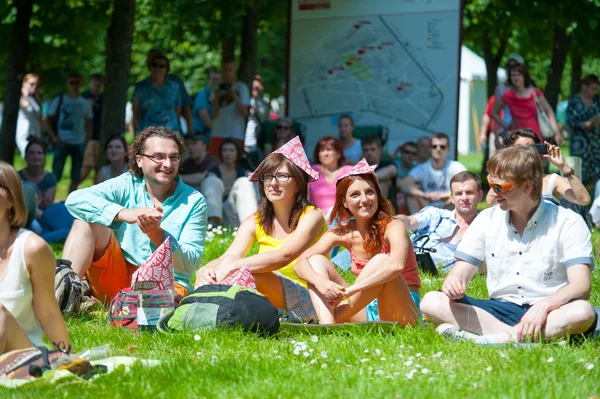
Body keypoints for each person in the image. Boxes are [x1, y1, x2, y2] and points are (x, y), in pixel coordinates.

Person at [421, 146, 597, 344]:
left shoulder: (568, 221)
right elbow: (462, 271)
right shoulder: (487, 219)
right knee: (431, 301)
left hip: (551, 309)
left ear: (527, 186)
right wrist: (454, 280)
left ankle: (491, 339)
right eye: (491, 184)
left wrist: (545, 305)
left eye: (500, 187)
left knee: (582, 311)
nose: (493, 193)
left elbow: (581, 285)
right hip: (498, 309)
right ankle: (517, 338)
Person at [62, 126, 207, 304]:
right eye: (158, 157)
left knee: (165, 301)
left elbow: (190, 263)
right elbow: (75, 199)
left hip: (167, 283)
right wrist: (123, 213)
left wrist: (157, 235)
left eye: (174, 157)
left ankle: (105, 301)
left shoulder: (194, 201)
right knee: (86, 220)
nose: (168, 164)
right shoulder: (126, 184)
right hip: (120, 274)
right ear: (139, 160)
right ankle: (67, 295)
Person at [195, 136, 327, 322]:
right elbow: (230, 256)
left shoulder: (312, 216)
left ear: (298, 183)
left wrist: (234, 266)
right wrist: (207, 269)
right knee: (231, 274)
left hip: (311, 298)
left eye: (282, 176)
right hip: (274, 296)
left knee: (253, 275)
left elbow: (284, 256)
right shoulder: (255, 221)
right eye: (267, 176)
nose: (273, 183)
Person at [294, 159, 420, 325]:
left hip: (400, 309)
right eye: (355, 195)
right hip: (364, 307)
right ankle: (327, 325)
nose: (364, 199)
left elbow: (395, 265)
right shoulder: (342, 232)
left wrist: (351, 290)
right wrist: (322, 283)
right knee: (315, 260)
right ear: (344, 202)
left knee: (381, 260)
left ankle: (331, 319)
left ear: (377, 195)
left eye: (369, 192)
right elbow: (300, 264)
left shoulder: (394, 226)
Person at [0, 162, 71, 354]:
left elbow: (48, 312)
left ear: (11, 201)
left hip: (21, 354)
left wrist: (69, 359)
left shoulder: (32, 248)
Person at [394, 171, 483, 272]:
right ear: (452, 198)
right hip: (407, 261)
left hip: (437, 272)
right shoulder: (435, 214)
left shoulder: (483, 227)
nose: (464, 198)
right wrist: (389, 220)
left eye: (469, 192)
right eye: (458, 193)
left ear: (480, 195)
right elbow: (409, 221)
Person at [485, 129, 590, 207]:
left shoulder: (551, 180)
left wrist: (564, 166)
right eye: (519, 149)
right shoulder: (504, 182)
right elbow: (490, 202)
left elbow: (583, 200)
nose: (526, 153)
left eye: (530, 148)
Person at [47, 72, 93, 193]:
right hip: (62, 141)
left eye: (77, 82)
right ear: (67, 84)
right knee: (56, 173)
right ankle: (49, 198)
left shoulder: (85, 102)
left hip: (78, 143)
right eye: (71, 82)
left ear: (81, 84)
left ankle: (70, 201)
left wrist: (86, 141)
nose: (74, 85)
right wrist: (54, 136)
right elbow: (47, 119)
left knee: (76, 176)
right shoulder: (60, 99)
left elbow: (89, 124)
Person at [491, 63, 560, 143]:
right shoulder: (508, 95)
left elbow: (549, 111)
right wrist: (506, 126)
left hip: (535, 134)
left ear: (524, 76)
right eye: (513, 75)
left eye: (519, 75)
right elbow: (494, 112)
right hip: (517, 136)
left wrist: (556, 132)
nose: (516, 78)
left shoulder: (535, 92)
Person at [399, 133, 467, 214]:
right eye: (434, 146)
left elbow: (469, 184)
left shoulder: (456, 167)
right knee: (411, 196)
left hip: (450, 207)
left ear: (448, 149)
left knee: (460, 197)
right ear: (430, 149)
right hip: (426, 208)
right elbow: (404, 184)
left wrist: (447, 195)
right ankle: (417, 224)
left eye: (442, 147)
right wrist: (424, 195)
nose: (438, 149)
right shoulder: (422, 168)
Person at [200, 139, 257, 227]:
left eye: (231, 150)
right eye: (225, 150)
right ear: (221, 153)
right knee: (212, 180)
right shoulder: (213, 171)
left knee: (244, 181)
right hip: (217, 210)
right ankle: (212, 223)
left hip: (234, 211)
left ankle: (250, 226)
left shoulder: (244, 172)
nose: (228, 153)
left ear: (237, 153)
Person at [131, 51, 182, 135]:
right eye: (154, 65)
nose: (158, 68)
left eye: (162, 66)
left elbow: (178, 109)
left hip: (170, 130)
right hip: (146, 130)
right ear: (149, 67)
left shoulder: (175, 87)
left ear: (167, 69)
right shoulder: (140, 87)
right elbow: (135, 111)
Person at [209, 56, 250, 156]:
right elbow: (213, 114)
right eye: (224, 70)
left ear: (235, 69)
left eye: (229, 70)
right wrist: (217, 97)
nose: (227, 73)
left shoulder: (241, 87)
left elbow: (244, 113)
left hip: (235, 134)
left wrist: (235, 97)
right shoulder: (216, 88)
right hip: (217, 133)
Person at [567, 74, 600, 185]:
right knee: (579, 168)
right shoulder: (574, 100)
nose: (594, 91)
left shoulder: (597, 100)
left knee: (596, 166)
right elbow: (570, 121)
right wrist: (584, 124)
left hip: (595, 139)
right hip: (579, 139)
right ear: (584, 86)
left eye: (596, 89)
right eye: (592, 88)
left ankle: (595, 189)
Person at [309, 136, 353, 216]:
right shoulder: (311, 172)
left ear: (338, 154)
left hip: (343, 219)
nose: (325, 153)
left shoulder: (349, 171)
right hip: (317, 220)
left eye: (329, 149)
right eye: (322, 150)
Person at [19, 139, 57, 213]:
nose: (35, 156)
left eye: (39, 153)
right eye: (31, 153)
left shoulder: (50, 179)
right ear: (26, 155)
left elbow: (47, 206)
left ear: (44, 156)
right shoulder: (17, 177)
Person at [362, 135, 398, 209]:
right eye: (366, 150)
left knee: (382, 182)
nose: (369, 153)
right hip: (366, 208)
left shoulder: (388, 164)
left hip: (388, 210)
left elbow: (392, 170)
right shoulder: (361, 168)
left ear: (380, 150)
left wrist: (366, 178)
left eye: (372, 149)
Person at [80, 73, 104, 183]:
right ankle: (73, 190)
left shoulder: (105, 98)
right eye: (94, 80)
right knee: (86, 166)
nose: (97, 83)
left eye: (99, 81)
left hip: (100, 136)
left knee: (99, 167)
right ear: (90, 82)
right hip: (86, 137)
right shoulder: (83, 97)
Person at [493, 54, 524, 131]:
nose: (511, 69)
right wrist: (498, 134)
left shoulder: (528, 88)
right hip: (508, 130)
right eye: (509, 66)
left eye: (515, 66)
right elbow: (495, 113)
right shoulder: (500, 88)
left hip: (525, 128)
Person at [16, 73, 42, 158]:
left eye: (36, 84)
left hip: (35, 132)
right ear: (24, 83)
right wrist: (24, 92)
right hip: (24, 133)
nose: (34, 86)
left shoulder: (33, 99)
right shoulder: (21, 97)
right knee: (29, 156)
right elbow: (26, 105)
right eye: (31, 84)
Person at [192, 68, 220, 139]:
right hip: (201, 136)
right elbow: (203, 115)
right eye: (214, 79)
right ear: (208, 80)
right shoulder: (203, 95)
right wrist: (218, 131)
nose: (216, 82)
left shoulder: (219, 95)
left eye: (218, 79)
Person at [245, 75, 270, 153]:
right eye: (254, 88)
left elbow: (264, 120)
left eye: (257, 88)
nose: (256, 90)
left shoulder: (264, 104)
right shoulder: (245, 101)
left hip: (257, 141)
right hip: (245, 140)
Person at [479, 95, 504, 173]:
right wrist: (483, 133)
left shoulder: (516, 97)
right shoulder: (495, 98)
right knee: (493, 160)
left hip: (511, 134)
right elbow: (487, 115)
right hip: (495, 134)